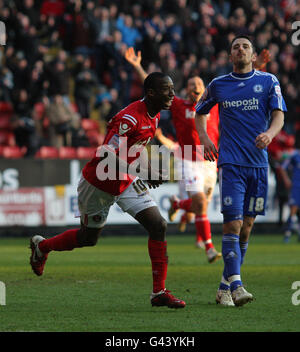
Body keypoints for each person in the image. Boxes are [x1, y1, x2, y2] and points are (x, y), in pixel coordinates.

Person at [30, 72, 186, 309]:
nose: (173, 94)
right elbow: (106, 155)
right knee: (88, 238)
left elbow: (137, 149)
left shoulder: (153, 117)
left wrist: (149, 169)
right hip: (98, 184)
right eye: (167, 89)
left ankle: (159, 292)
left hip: (125, 181)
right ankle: (42, 247)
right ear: (151, 93)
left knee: (158, 225)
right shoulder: (129, 118)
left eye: (173, 89)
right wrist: (144, 173)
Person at [124, 46, 270, 263]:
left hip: (211, 161)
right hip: (187, 159)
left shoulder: (216, 103)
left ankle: (177, 205)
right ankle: (209, 247)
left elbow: (240, 87)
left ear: (204, 89)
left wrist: (256, 67)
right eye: (192, 85)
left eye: (199, 85)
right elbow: (154, 86)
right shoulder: (179, 105)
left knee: (198, 207)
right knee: (200, 203)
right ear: (186, 90)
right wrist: (137, 65)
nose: (195, 88)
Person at [195, 35, 286, 306]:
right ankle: (237, 285)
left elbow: (279, 114)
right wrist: (205, 138)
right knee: (232, 224)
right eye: (236, 47)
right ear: (230, 55)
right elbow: (200, 112)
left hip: (258, 165)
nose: (241, 50)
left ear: (253, 55)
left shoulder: (268, 82)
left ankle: (224, 286)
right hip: (231, 163)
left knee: (245, 228)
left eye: (245, 46)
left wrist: (270, 133)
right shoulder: (218, 85)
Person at [280, 145, 300, 243]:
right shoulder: (294, 155)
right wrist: (287, 180)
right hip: (296, 186)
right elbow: (282, 167)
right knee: (293, 210)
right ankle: (287, 234)